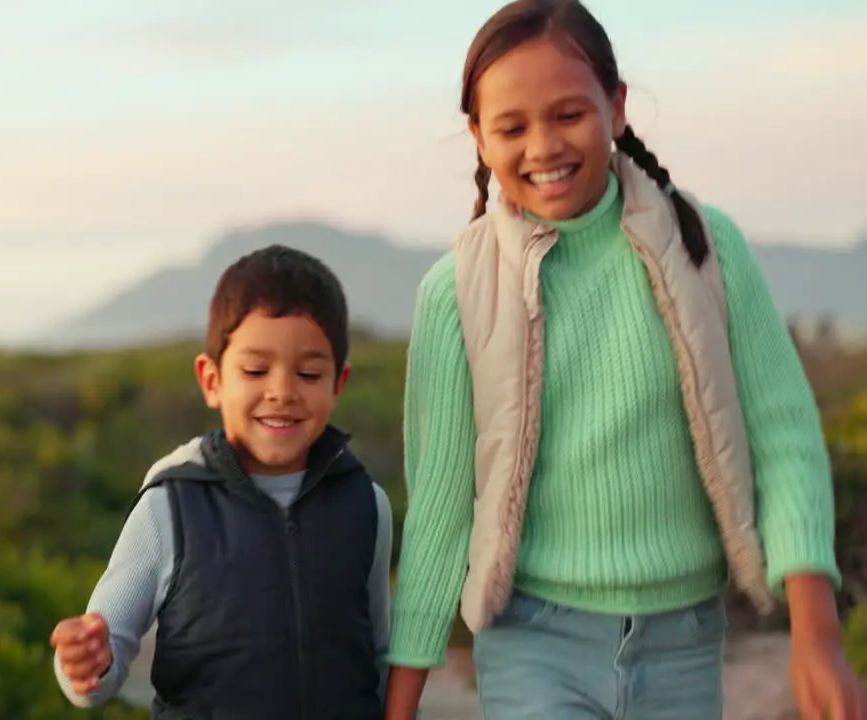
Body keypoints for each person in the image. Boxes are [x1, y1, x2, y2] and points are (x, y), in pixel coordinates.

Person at [383, 1, 865, 718]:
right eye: (512, 127)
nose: (543, 146)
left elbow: (784, 439)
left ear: (617, 106)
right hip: (532, 644)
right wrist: (401, 700)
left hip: (686, 642)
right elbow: (440, 512)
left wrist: (817, 632)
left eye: (569, 114)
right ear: (479, 139)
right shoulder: (455, 292)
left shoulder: (706, 247)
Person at [50, 244, 394, 718]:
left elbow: (378, 653)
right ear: (211, 380)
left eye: (309, 373)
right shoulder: (170, 505)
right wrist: (84, 666)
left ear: (339, 384)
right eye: (255, 370)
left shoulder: (365, 503)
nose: (282, 391)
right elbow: (101, 653)